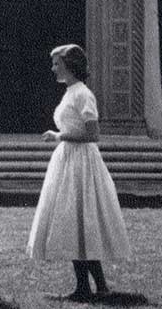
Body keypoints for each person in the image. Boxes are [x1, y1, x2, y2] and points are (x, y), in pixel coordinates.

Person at [27, 44, 130, 300]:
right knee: (75, 222)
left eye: (56, 64)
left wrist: (59, 135)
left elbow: (93, 133)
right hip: (69, 158)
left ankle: (92, 286)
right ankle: (91, 286)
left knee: (79, 219)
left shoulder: (82, 94)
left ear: (69, 65)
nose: (53, 69)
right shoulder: (71, 92)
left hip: (81, 161)